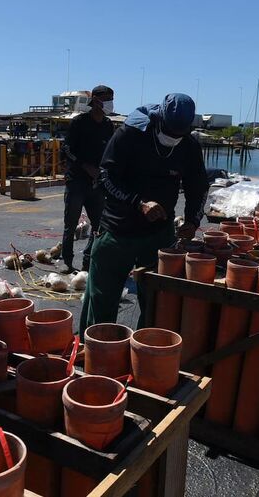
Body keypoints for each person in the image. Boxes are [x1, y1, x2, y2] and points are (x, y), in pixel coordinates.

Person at [79, 93, 209, 336]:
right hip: (117, 231)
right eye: (169, 132)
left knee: (157, 302)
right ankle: (94, 352)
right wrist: (138, 203)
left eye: (179, 135)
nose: (173, 138)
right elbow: (105, 177)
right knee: (101, 298)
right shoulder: (130, 135)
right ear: (158, 119)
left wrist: (192, 220)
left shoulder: (189, 146)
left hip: (158, 234)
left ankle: (145, 353)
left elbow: (198, 187)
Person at [61, 85, 115, 273]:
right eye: (106, 98)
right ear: (96, 100)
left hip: (97, 184)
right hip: (76, 181)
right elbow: (67, 149)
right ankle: (67, 261)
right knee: (71, 224)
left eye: (111, 98)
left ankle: (88, 258)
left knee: (99, 225)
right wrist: (85, 166)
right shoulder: (79, 122)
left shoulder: (109, 125)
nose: (109, 102)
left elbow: (112, 153)